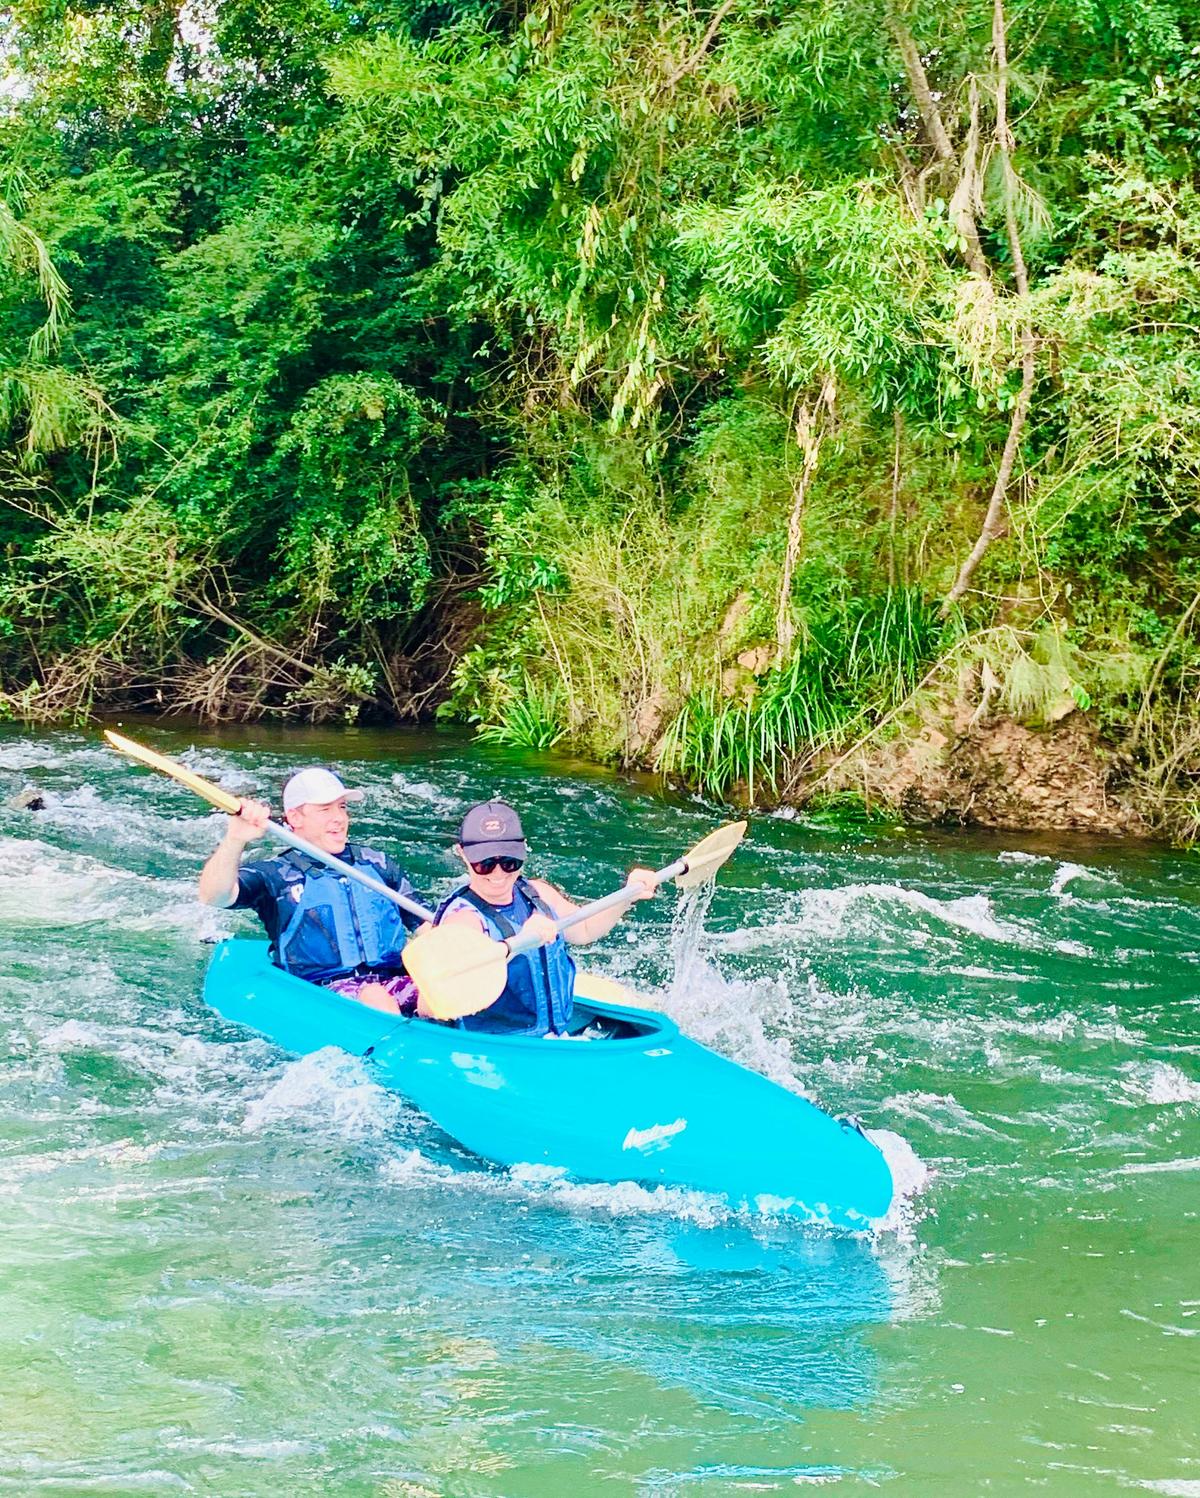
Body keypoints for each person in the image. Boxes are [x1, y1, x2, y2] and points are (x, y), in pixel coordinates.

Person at [198, 766, 427, 1014]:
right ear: (295, 818)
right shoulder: (277, 875)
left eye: (342, 807)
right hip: (322, 992)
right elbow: (215, 896)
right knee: (375, 996)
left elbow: (426, 927)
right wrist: (236, 838)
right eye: (325, 809)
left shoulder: (376, 864)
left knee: (444, 992)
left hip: (391, 981)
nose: (339, 817)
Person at [434, 800, 658, 1035]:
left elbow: (584, 930)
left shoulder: (537, 893)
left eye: (510, 861)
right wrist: (521, 941)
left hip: (553, 1037)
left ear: (524, 850)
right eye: (485, 864)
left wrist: (628, 894)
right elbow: (444, 994)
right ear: (462, 853)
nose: (498, 873)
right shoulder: (463, 919)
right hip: (499, 1047)